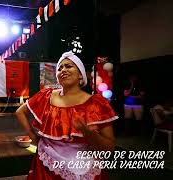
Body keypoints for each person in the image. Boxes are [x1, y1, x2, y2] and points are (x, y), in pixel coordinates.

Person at [15, 51, 118, 180]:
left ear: (80, 74)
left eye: (69, 66)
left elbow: (109, 148)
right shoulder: (46, 96)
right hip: (46, 167)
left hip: (85, 166)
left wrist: (88, 132)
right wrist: (33, 136)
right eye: (60, 68)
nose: (63, 70)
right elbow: (20, 112)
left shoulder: (96, 104)